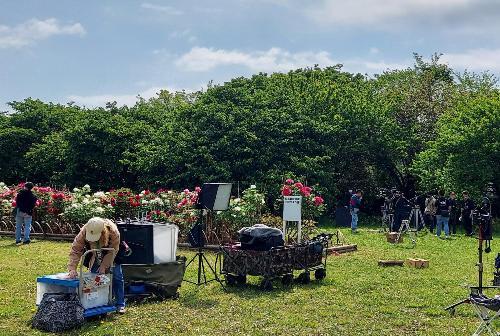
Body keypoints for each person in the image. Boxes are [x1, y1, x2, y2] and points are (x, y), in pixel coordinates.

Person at [67, 217, 125, 314]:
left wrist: (104, 266)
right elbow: (76, 249)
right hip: (95, 255)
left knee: (117, 277)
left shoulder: (113, 231)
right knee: (94, 280)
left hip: (112, 254)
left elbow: (113, 251)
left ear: (103, 232)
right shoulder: (84, 231)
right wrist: (72, 268)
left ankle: (120, 304)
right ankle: (97, 303)